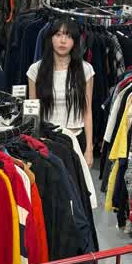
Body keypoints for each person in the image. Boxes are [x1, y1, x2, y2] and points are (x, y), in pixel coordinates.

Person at [27, 19, 95, 168]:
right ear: (50, 38)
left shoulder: (85, 70)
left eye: (68, 36)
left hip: (75, 140)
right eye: (58, 35)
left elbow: (87, 111)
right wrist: (32, 143)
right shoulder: (35, 70)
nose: (63, 41)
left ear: (75, 41)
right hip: (46, 142)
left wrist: (89, 148)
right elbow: (32, 112)